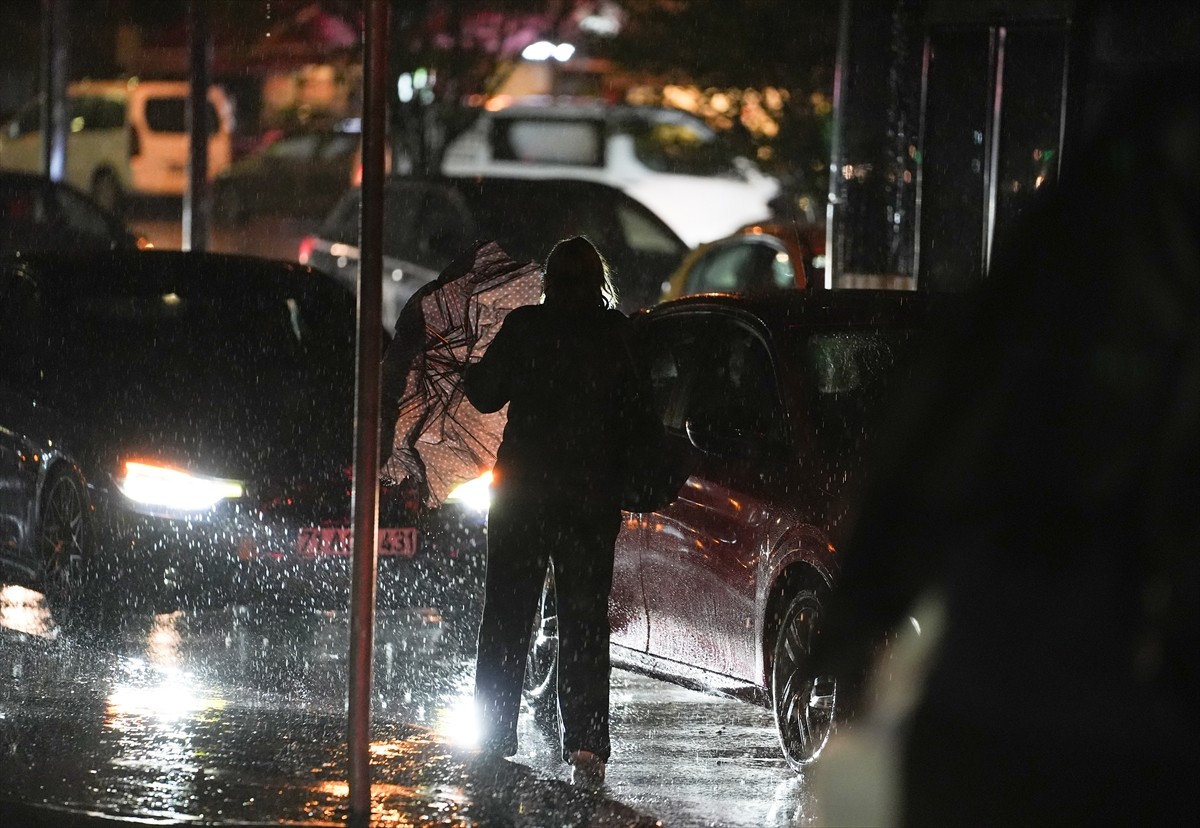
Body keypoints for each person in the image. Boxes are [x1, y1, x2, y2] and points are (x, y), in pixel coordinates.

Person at [811, 69, 1199, 825]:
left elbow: (927, 451)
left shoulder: (1044, 296)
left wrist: (861, 620)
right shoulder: (1065, 320)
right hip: (1088, 724)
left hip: (1003, 713)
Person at [462, 235, 641, 788]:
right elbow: (639, 413)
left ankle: (494, 733)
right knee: (585, 620)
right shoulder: (618, 335)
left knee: (507, 613)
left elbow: (487, 395)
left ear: (548, 283)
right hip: (589, 497)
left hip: (523, 494)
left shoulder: (525, 327)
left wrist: (469, 364)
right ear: (598, 281)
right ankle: (587, 744)